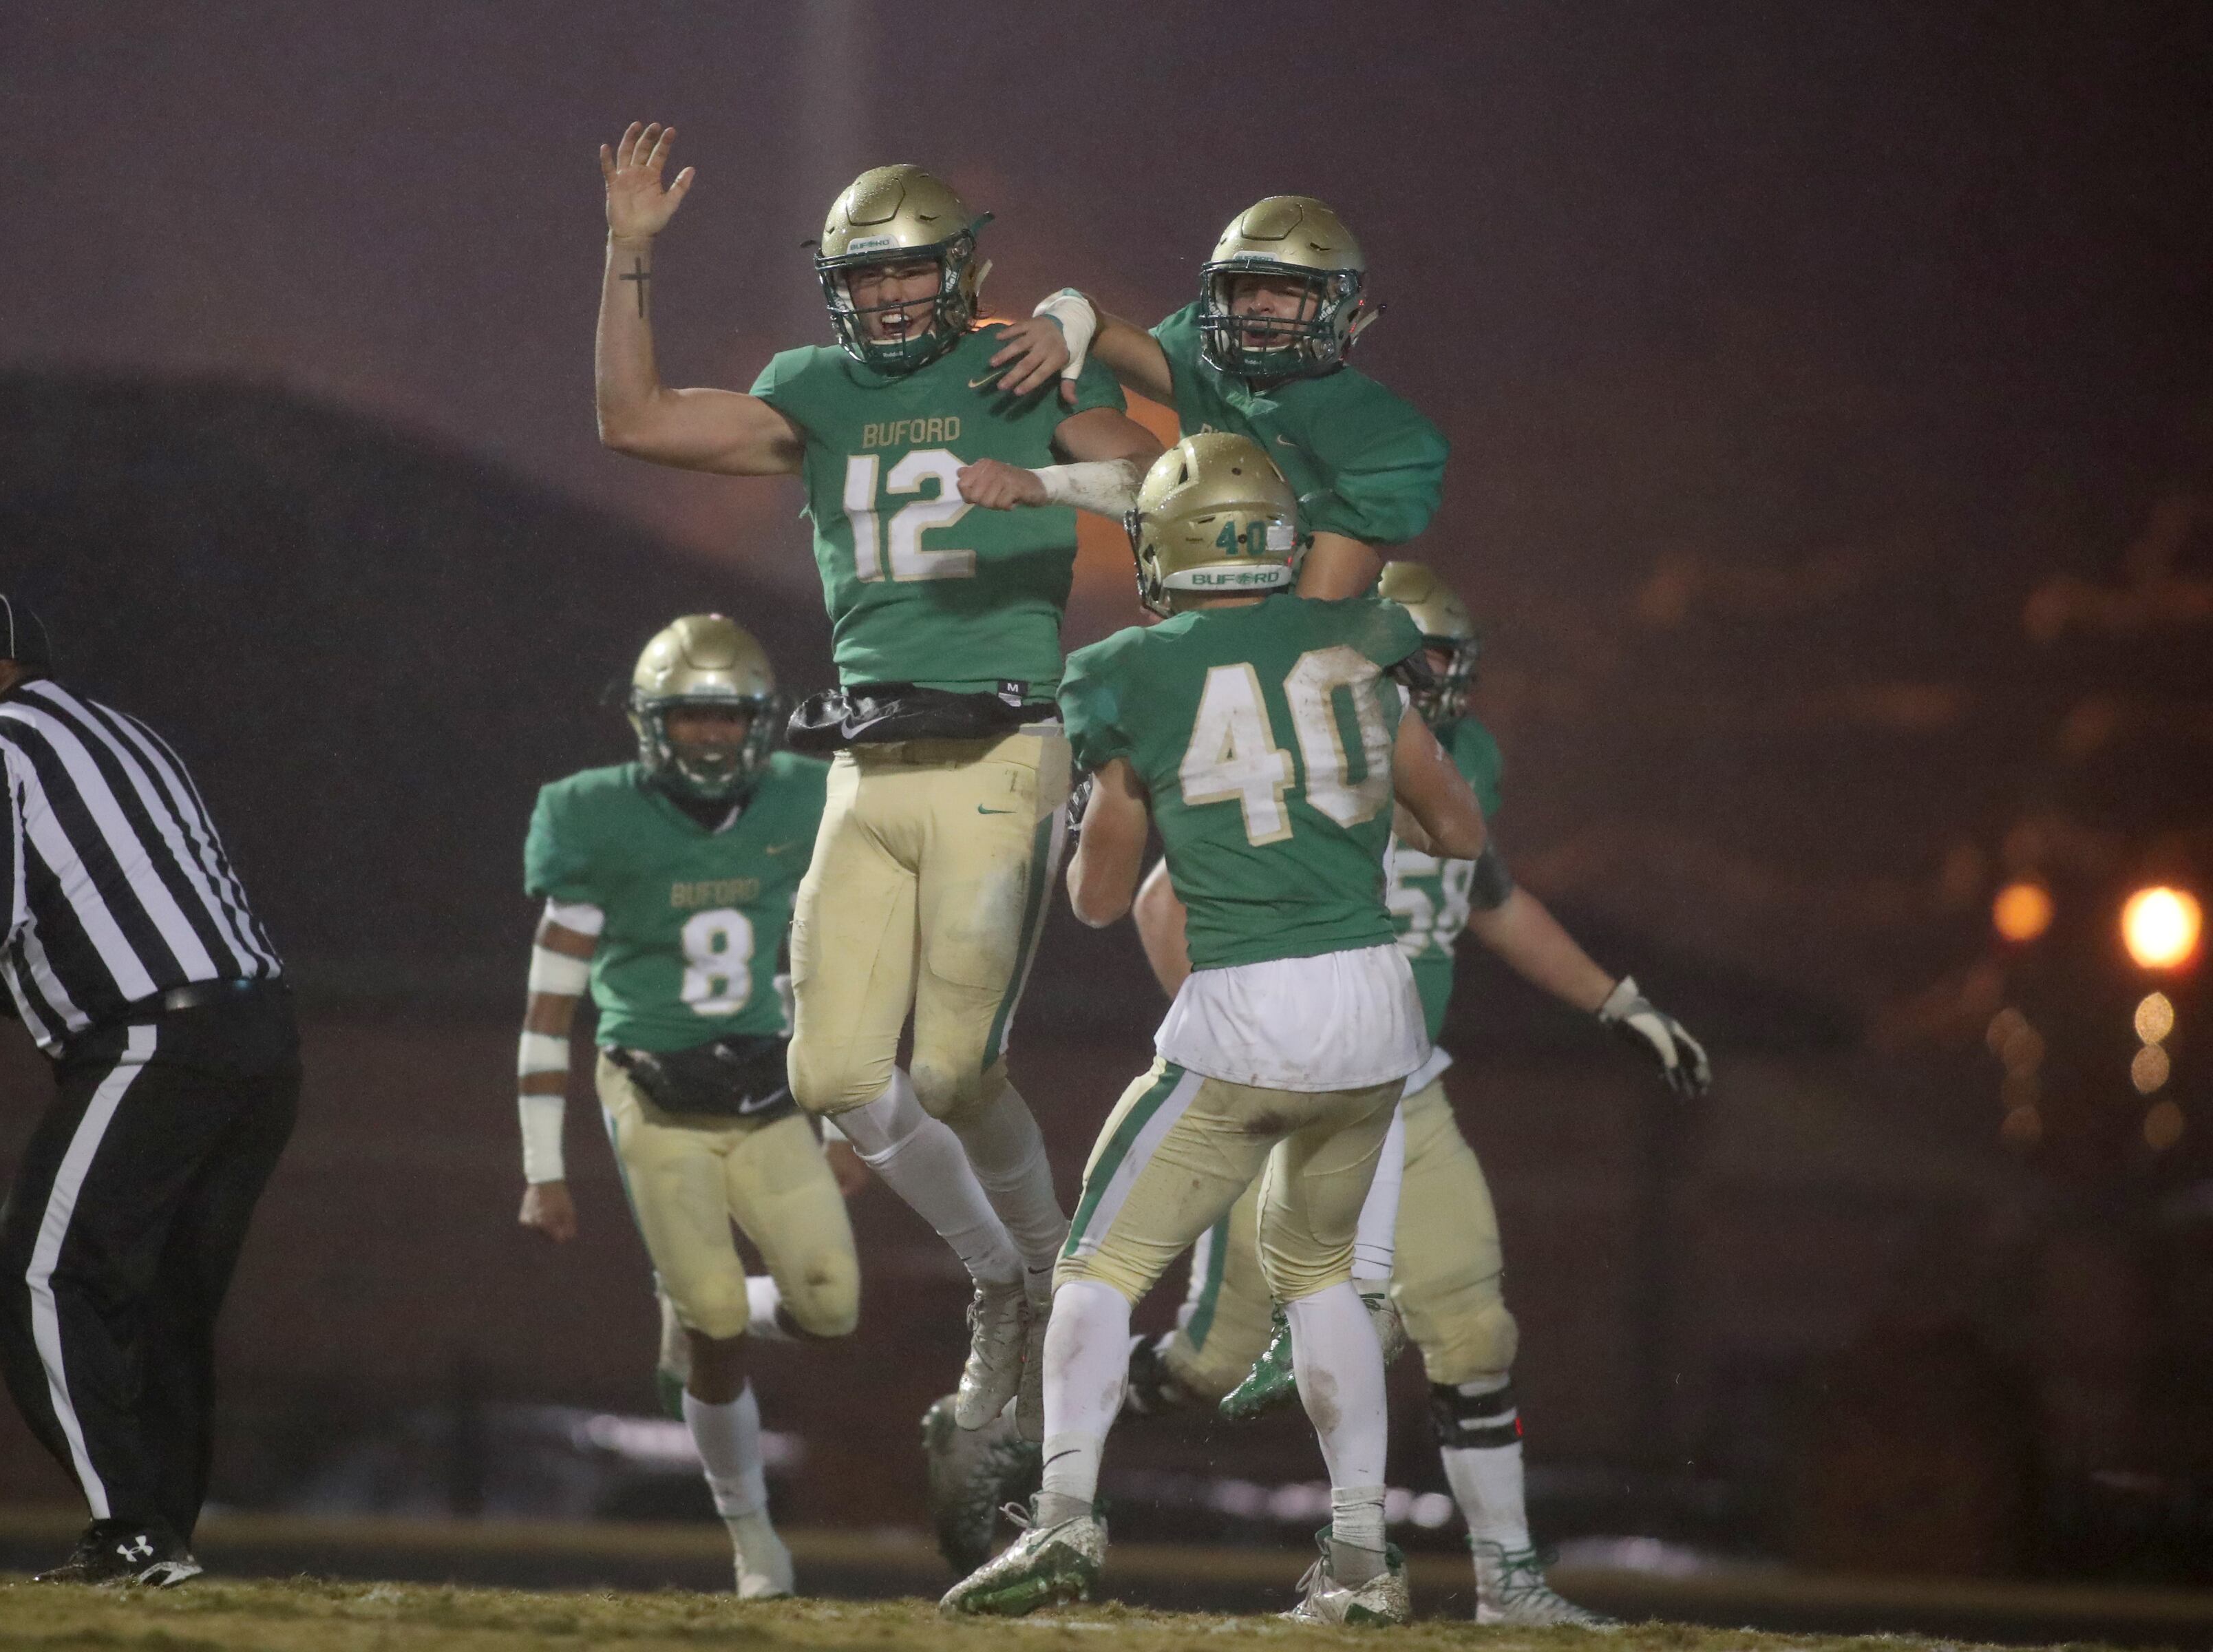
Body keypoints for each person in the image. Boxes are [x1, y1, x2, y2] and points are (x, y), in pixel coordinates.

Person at [592, 122, 1169, 1443]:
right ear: (837, 288)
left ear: (960, 275)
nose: (894, 296)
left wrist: (1049, 478)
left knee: (961, 1074)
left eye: (914, 272)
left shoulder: (1015, 359)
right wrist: (629, 255)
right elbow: (631, 422)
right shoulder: (816, 387)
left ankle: (1044, 1265)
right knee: (837, 1071)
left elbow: (1160, 480)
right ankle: (1004, 1277)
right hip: (866, 754)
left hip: (1000, 745)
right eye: (870, 276)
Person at [944, 434, 1485, 1622]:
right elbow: (1454, 828)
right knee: (1325, 1277)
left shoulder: (1134, 668)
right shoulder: (1359, 638)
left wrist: (1127, 801)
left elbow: (1096, 901)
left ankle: (1064, 1522)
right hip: (1377, 1007)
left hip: (1252, 1005)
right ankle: (1361, 1559)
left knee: (1099, 1266)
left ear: (1165, 547)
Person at [1123, 560, 1712, 1625]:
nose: (1424, 677)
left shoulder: (1465, 755)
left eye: (1435, 659)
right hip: (1284, 1086)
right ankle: (1041, 1435)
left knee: (1475, 1330)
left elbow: (1489, 898)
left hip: (1406, 1091)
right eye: (1406, 657)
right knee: (1209, 1366)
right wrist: (1237, 1036)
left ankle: (1509, 1585)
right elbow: (1163, 904)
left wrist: (1619, 1002)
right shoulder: (1309, 733)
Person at [0, 586, 292, 1587]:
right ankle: (162, 1544)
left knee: (33, 1275)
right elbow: (77, 934)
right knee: (166, 1309)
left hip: (156, 1042)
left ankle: (129, 1533)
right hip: (261, 1042)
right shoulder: (131, 737)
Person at [517, 613, 895, 1599]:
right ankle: (753, 1538)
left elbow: (838, 969)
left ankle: (687, 1309)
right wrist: (543, 1169)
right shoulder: (594, 816)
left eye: (728, 718)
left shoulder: (806, 801)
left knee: (831, 1309)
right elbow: (548, 1007)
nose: (713, 737)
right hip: (653, 1088)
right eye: (690, 717)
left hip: (765, 1087)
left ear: (762, 722)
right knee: (721, 1311)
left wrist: (846, 1115)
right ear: (651, 722)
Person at [997, 194, 1450, 602]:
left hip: (1300, 650)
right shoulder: (1204, 362)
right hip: (1196, 613)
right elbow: (1094, 328)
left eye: (1288, 290)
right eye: (1244, 288)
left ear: (1340, 305)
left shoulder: (1383, 435)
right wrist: (1066, 315)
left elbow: (1314, 620)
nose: (1260, 304)